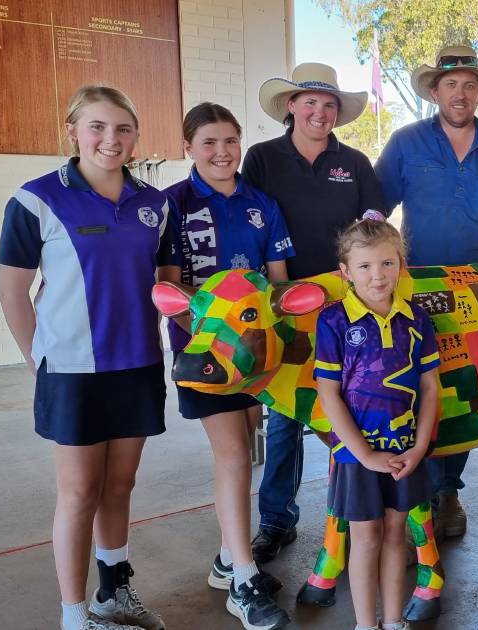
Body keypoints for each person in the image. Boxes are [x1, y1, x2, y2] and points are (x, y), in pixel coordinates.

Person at [0, 85, 169, 630]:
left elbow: (167, 285)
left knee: (120, 486)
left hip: (138, 363)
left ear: (135, 136)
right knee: (78, 493)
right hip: (72, 370)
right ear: (72, 130)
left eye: (122, 129)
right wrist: (35, 359)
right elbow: (12, 292)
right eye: (97, 126)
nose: (110, 139)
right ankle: (74, 614)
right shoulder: (36, 199)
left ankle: (113, 594)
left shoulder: (153, 204)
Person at [375, 45, 478, 536]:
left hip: (477, 300)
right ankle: (414, 497)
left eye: (469, 85)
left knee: (465, 390)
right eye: (451, 85)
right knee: (414, 389)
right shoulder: (406, 143)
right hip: (414, 290)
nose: (460, 94)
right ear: (434, 91)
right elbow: (373, 212)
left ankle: (449, 494)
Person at [243, 62, 387, 564]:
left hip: (348, 305)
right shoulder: (261, 158)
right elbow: (250, 219)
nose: (320, 112)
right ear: (291, 106)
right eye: (310, 102)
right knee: (286, 414)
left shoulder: (355, 161)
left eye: (328, 105)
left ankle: (352, 518)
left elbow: (373, 222)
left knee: (353, 411)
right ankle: (276, 521)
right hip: (285, 305)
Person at [158, 102, 293, 630]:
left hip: (256, 354)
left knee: (248, 441)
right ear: (188, 146)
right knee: (235, 456)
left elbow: (278, 281)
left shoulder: (264, 204)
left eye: (230, 141)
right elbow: (170, 286)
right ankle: (242, 578)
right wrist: (223, 324)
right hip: (206, 354)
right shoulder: (174, 204)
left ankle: (226, 556)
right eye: (209, 142)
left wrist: (264, 326)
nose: (222, 152)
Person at [314, 219, 441, 630]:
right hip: (357, 457)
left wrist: (419, 448)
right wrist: (365, 454)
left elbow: (430, 388)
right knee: (365, 537)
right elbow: (328, 393)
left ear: (401, 264)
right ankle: (365, 625)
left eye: (387, 263)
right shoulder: (333, 322)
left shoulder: (417, 319)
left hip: (406, 452)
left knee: (394, 534)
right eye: (365, 266)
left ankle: (392, 621)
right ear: (345, 272)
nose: (378, 275)